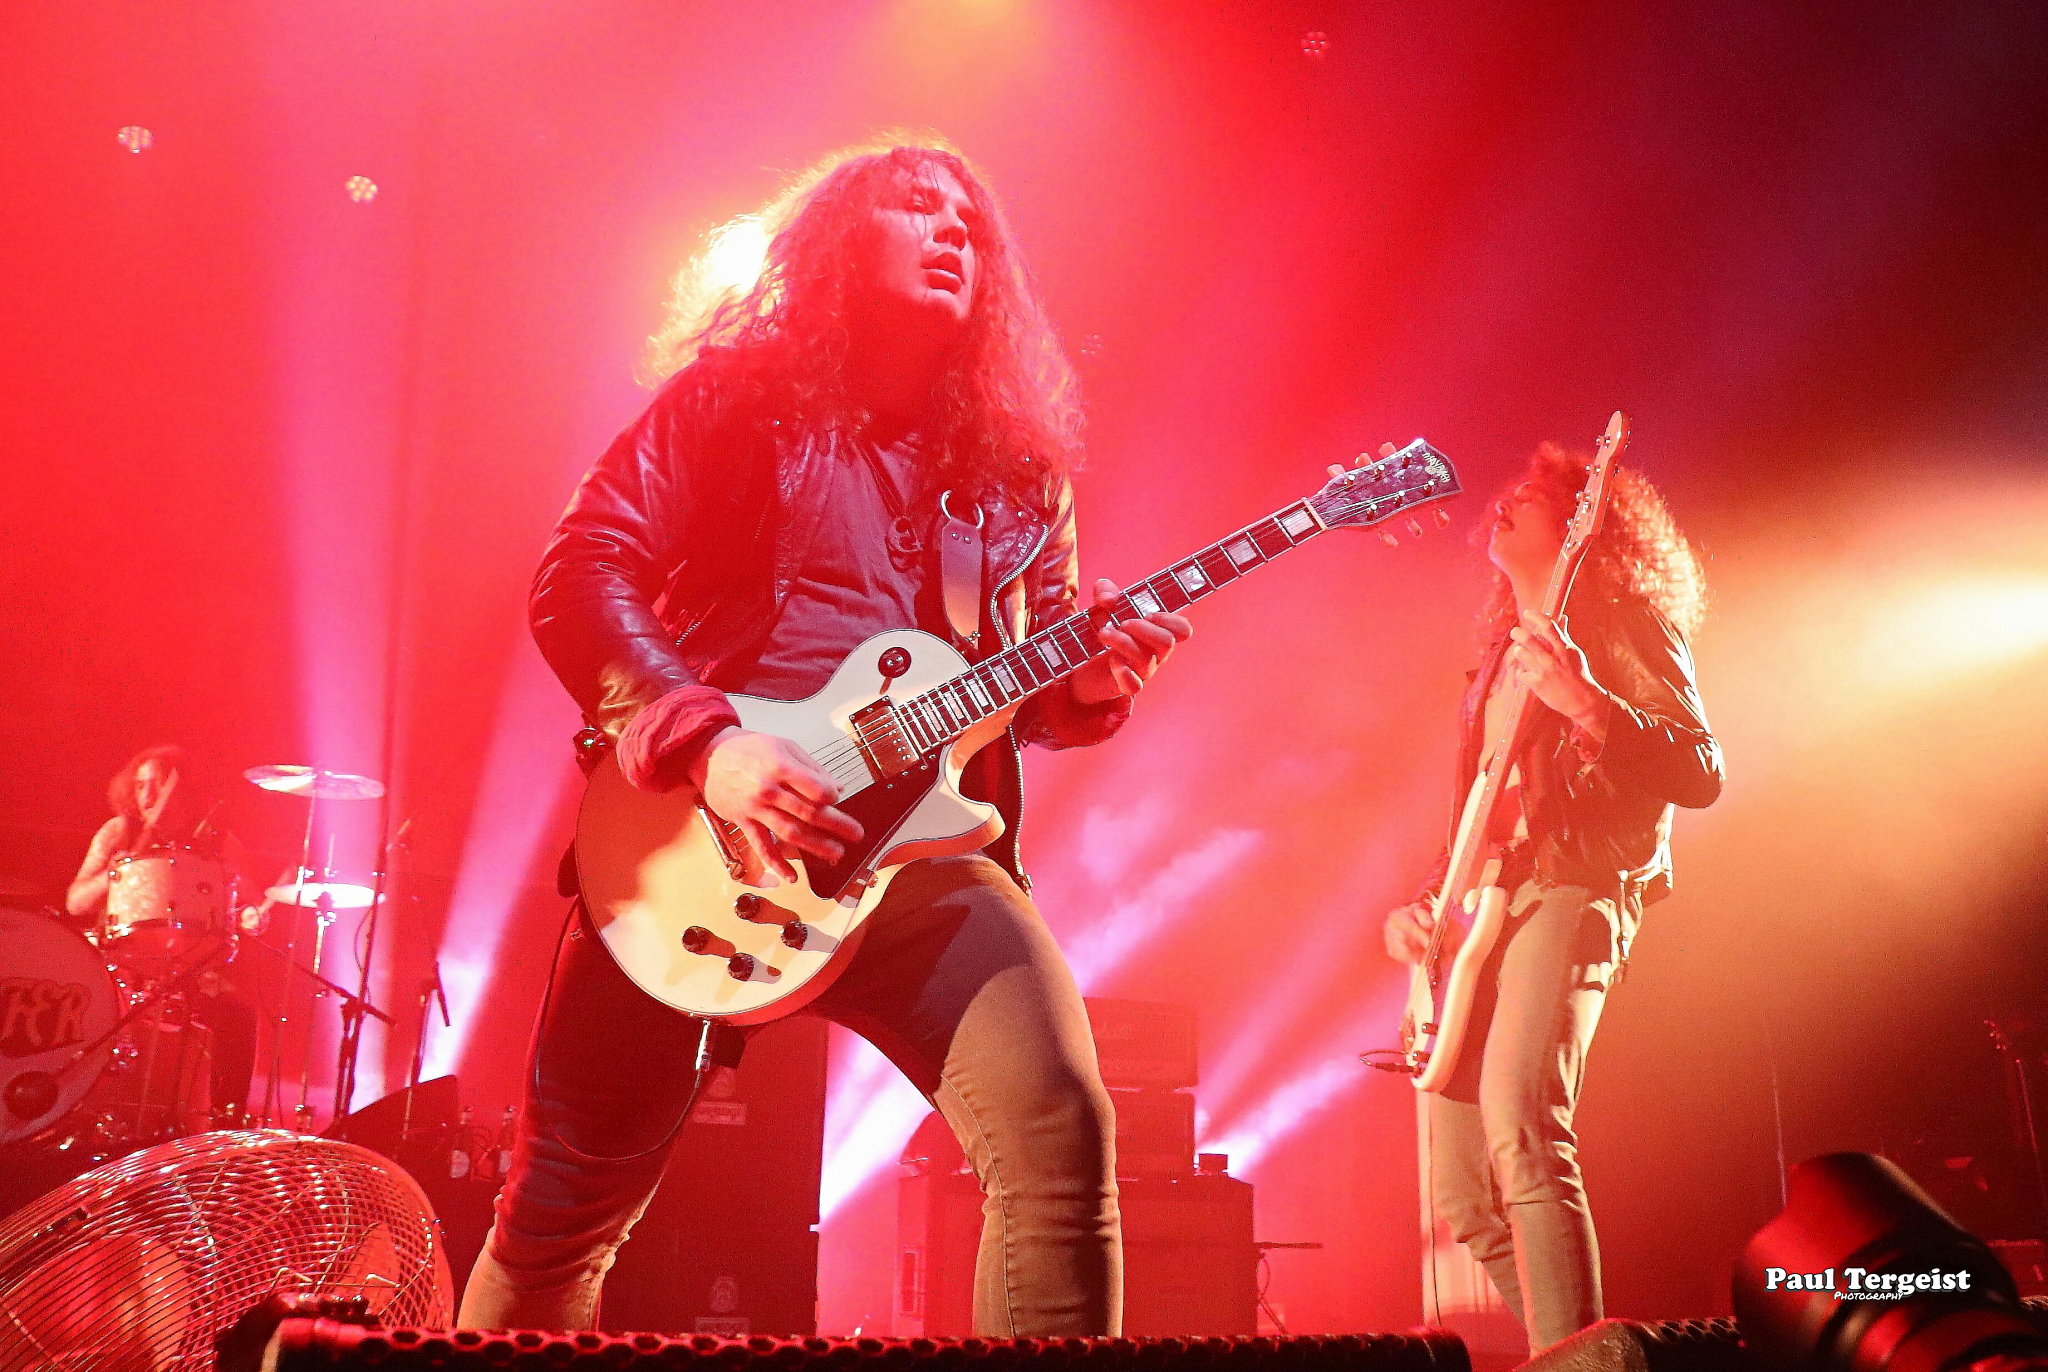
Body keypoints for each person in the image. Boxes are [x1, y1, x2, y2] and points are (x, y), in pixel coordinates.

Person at [463, 139, 1191, 1334]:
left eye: (971, 223)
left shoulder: (1018, 477)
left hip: (918, 856)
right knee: (559, 1214)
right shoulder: (732, 405)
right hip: (691, 832)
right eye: (917, 206)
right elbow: (582, 571)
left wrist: (1089, 686)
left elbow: (1025, 693)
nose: (952, 230)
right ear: (843, 239)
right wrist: (708, 744)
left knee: (1060, 1134)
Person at [1381, 443, 1722, 1352]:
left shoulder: (1622, 619)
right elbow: (1485, 810)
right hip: (1485, 909)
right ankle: (1577, 1354)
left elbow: (1701, 768)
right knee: (1463, 1196)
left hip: (1575, 881)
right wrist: (1425, 905)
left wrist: (1590, 704)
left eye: (1533, 491)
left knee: (1524, 1128)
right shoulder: (1497, 658)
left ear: (1584, 522)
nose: (1506, 497)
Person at [66, 744, 263, 1122]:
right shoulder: (119, 832)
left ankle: (225, 1119)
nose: (148, 795)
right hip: (122, 967)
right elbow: (75, 902)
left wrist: (251, 914)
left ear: (184, 790)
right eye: (140, 785)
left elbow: (250, 899)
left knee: (239, 1014)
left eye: (158, 784)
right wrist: (117, 871)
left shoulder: (217, 839)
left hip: (193, 968)